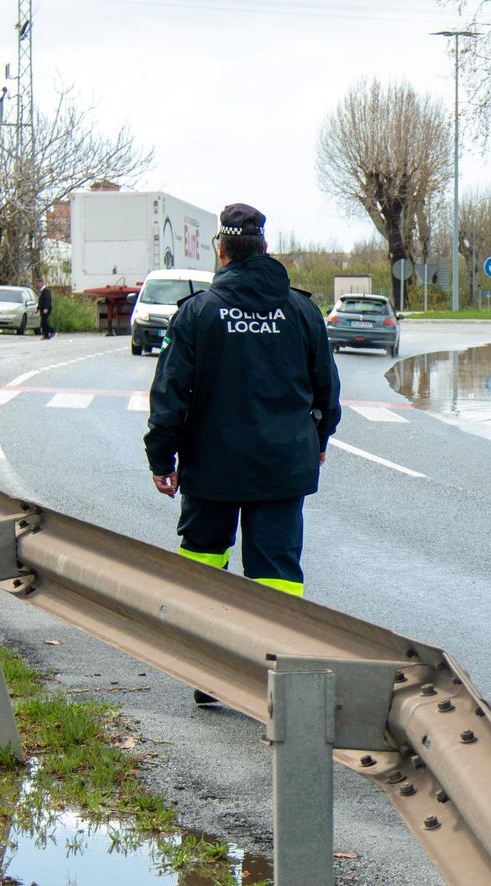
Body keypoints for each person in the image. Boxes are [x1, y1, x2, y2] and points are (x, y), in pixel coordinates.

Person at [144, 201, 341, 609]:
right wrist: (318, 440)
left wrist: (162, 460)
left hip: (211, 466)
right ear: (265, 246)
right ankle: (274, 656)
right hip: (282, 466)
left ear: (222, 250)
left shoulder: (197, 313)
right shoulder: (302, 312)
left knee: (202, 562)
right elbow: (326, 391)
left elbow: (170, 395)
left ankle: (203, 648)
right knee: (276, 576)